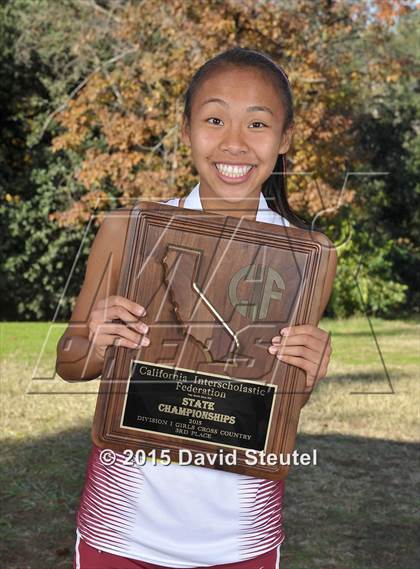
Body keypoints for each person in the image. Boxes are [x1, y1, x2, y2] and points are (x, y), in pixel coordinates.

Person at [56, 46, 336, 569]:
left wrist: (307, 373)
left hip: (240, 539)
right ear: (186, 131)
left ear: (285, 140)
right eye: (214, 119)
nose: (234, 142)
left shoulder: (306, 257)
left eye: (257, 123)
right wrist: (92, 341)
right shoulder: (128, 230)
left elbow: (277, 407)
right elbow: (70, 361)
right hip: (120, 532)